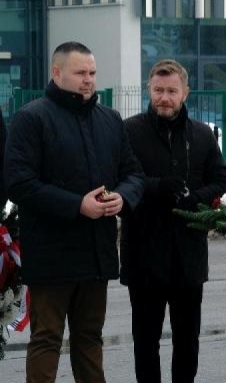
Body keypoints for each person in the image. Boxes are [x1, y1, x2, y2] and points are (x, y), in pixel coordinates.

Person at [4, 41, 144, 383]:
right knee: (47, 339)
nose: (89, 80)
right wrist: (77, 204)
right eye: (81, 72)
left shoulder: (110, 119)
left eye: (93, 73)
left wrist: (123, 198)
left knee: (89, 340)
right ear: (57, 72)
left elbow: (134, 175)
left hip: (96, 254)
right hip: (51, 255)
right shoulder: (31, 118)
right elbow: (19, 183)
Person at [120, 59, 226, 382]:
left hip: (188, 255)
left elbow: (221, 179)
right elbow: (122, 177)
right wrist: (156, 187)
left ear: (185, 93)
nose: (164, 98)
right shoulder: (130, 131)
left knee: (187, 341)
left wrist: (197, 197)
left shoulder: (202, 134)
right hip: (143, 254)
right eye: (158, 90)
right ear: (149, 90)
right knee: (145, 341)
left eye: (171, 91)